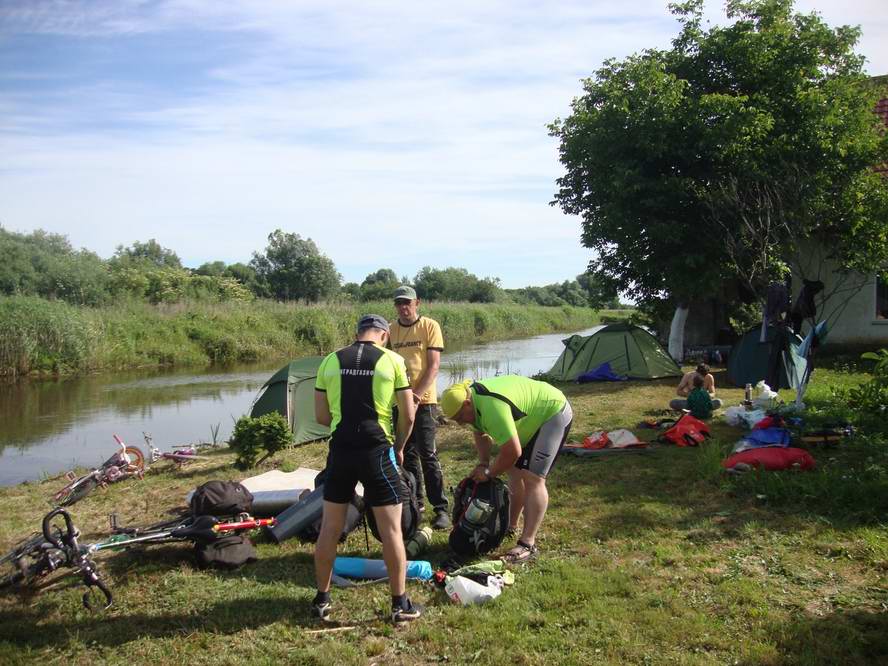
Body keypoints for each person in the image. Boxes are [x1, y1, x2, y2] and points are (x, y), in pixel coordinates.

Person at [312, 314, 421, 623]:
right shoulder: (393, 361)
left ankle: (322, 599)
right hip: (377, 450)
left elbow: (321, 416)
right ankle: (400, 604)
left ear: (356, 333)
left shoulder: (330, 361)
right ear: (383, 336)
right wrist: (398, 447)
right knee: (391, 531)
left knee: (330, 528)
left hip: (341, 451)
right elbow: (409, 415)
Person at [439, 376, 573, 563]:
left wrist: (489, 473)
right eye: (456, 420)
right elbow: (480, 433)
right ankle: (510, 526)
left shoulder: (491, 407)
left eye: (460, 417)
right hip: (531, 419)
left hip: (552, 412)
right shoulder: (473, 405)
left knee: (533, 478)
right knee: (514, 472)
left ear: (467, 403)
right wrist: (483, 463)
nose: (461, 423)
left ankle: (528, 544)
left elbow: (512, 452)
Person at [389, 285, 450, 530]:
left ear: (417, 303)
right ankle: (417, 501)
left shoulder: (429, 326)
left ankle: (441, 508)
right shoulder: (390, 331)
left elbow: (433, 366)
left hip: (424, 401)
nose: (403, 308)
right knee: (407, 453)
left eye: (407, 302)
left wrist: (415, 396)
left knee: (428, 453)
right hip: (398, 401)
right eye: (399, 303)